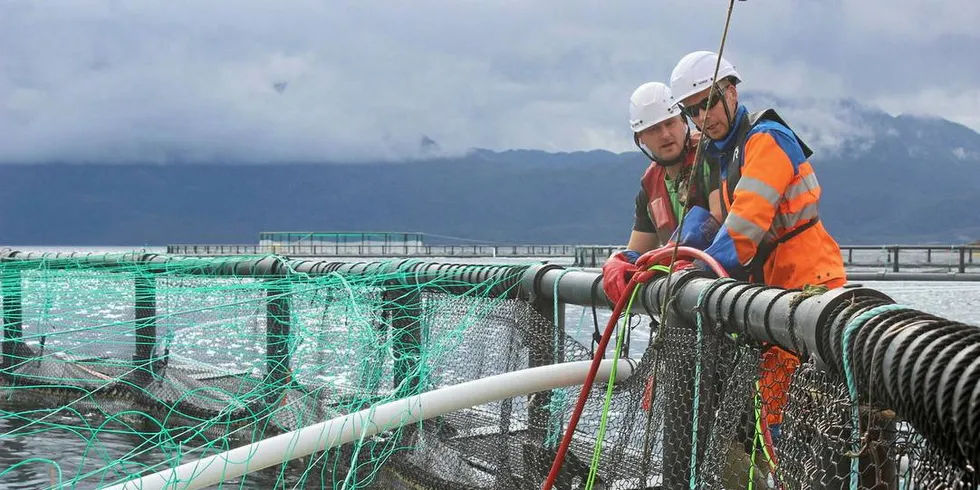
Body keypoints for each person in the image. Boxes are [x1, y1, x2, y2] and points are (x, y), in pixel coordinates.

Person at [668, 49, 848, 466]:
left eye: (708, 101)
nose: (702, 117)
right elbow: (723, 223)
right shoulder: (729, 155)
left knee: (793, 421)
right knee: (774, 420)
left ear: (731, 91)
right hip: (774, 303)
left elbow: (744, 231)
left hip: (808, 292)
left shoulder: (766, 139)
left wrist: (697, 271)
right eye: (692, 110)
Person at [601, 81, 721, 305]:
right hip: (682, 303)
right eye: (654, 129)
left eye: (670, 123)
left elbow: (721, 218)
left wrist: (666, 260)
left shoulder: (712, 156)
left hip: (722, 293)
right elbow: (637, 251)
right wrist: (619, 261)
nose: (665, 134)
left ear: (683, 122)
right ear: (640, 139)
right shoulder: (650, 187)